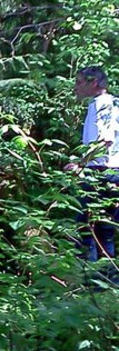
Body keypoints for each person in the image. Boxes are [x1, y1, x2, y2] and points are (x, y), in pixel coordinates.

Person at [66, 66, 119, 261]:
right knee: (105, 229)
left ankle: (90, 283)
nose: (76, 87)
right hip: (114, 171)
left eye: (79, 82)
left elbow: (105, 141)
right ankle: (107, 283)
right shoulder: (114, 103)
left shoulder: (101, 104)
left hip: (100, 172)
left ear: (93, 83)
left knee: (86, 227)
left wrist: (80, 164)